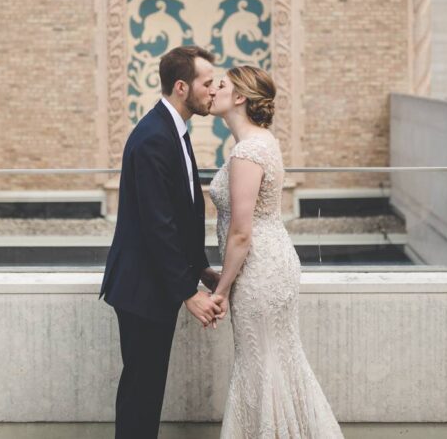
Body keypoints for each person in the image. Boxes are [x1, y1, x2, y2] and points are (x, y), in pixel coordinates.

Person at [208, 65, 343, 438]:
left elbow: (240, 233)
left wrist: (220, 291)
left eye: (220, 85)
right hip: (271, 262)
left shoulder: (248, 152)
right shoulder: (261, 142)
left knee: (260, 363)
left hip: (258, 270)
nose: (212, 90)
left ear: (239, 98)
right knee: (278, 360)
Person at [99, 45, 225, 439]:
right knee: (142, 389)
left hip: (154, 283)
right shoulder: (154, 136)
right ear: (182, 87)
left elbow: (182, 212)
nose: (214, 90)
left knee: (147, 388)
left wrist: (200, 268)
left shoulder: (173, 129)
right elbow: (158, 226)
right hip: (141, 287)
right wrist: (189, 292)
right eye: (207, 83)